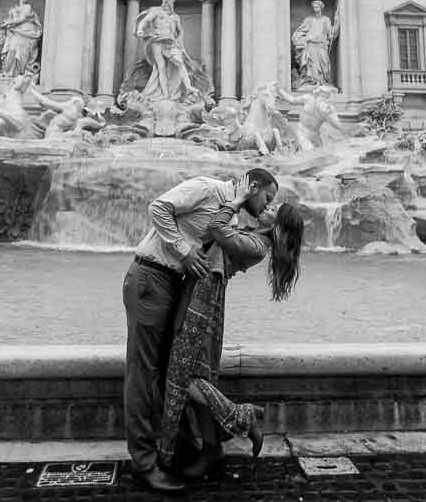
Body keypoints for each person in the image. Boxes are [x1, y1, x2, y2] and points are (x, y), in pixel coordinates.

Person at [122, 169, 278, 493]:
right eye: (266, 198)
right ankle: (144, 465)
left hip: (172, 287)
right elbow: (158, 207)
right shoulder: (207, 190)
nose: (265, 207)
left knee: (171, 375)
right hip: (151, 277)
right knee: (142, 373)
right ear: (252, 186)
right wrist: (184, 250)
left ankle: (178, 451)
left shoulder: (232, 217)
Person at [157, 178, 305, 482]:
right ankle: (211, 449)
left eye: (274, 207)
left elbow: (217, 229)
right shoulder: (254, 234)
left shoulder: (257, 246)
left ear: (279, 226)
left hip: (205, 300)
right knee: (193, 375)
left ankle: (240, 416)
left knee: (182, 378)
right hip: (200, 291)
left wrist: (236, 202)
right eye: (270, 200)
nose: (269, 206)